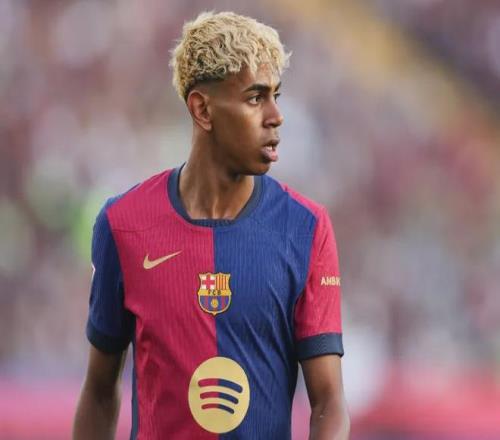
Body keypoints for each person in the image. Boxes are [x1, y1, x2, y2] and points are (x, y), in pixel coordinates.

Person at [73, 11, 350, 440]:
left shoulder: (306, 228)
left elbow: (329, 404)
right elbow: (98, 392)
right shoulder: (123, 224)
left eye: (276, 95)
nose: (276, 115)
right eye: (256, 98)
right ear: (202, 109)